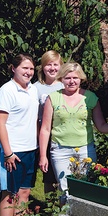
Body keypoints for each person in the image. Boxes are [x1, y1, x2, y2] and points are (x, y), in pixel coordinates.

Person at [39, 61, 108, 202]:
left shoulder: (90, 98)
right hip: (60, 151)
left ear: (81, 79)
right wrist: (43, 156)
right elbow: (45, 129)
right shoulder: (53, 98)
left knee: (87, 188)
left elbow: (101, 126)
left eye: (75, 78)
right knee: (65, 190)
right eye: (67, 78)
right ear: (61, 79)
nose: (72, 81)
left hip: (85, 150)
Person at [0, 53, 39, 216]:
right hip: (12, 152)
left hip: (30, 150)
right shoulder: (7, 90)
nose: (28, 72)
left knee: (24, 194)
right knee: (9, 195)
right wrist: (8, 152)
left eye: (31, 69)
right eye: (24, 68)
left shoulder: (33, 89)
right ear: (13, 68)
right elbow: (0, 123)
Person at [34, 50, 64, 193]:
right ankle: (50, 209)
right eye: (48, 65)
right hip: (45, 134)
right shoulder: (35, 88)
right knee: (49, 177)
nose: (52, 68)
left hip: (62, 134)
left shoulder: (65, 86)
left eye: (55, 64)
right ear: (42, 67)